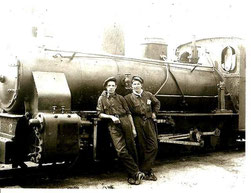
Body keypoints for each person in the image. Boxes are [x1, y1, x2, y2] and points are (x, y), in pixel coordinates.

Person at [96, 77, 144, 185]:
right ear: (106, 87)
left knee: (131, 148)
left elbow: (128, 113)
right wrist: (111, 117)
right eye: (109, 86)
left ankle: (133, 175)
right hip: (113, 125)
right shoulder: (102, 99)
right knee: (121, 150)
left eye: (113, 85)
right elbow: (99, 113)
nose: (111, 87)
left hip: (125, 122)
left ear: (116, 87)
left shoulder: (121, 98)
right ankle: (136, 172)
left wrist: (133, 128)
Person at [125, 76, 160, 181]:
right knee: (141, 146)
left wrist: (154, 113)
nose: (136, 86)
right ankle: (145, 172)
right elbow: (127, 112)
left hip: (149, 122)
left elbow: (157, 103)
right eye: (134, 84)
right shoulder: (127, 98)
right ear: (131, 86)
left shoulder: (148, 95)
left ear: (141, 85)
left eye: (138, 84)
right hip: (137, 122)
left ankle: (145, 169)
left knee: (154, 146)